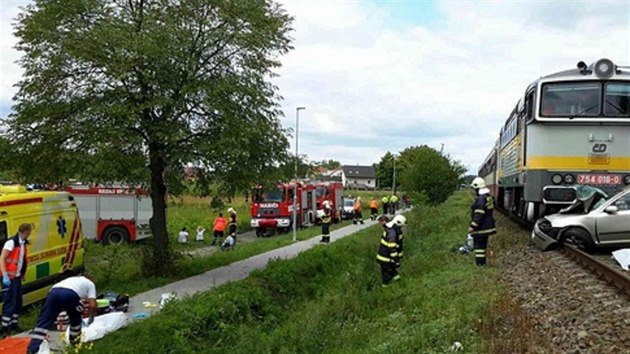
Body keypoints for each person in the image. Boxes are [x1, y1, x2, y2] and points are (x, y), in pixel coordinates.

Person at [27, 274, 98, 354]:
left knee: (44, 322)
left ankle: (32, 349)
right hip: (69, 294)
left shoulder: (73, 279)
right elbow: (92, 305)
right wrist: (91, 316)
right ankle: (75, 344)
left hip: (53, 292)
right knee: (76, 318)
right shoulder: (90, 284)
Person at [0, 223, 32, 335]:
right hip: (9, 278)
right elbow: (2, 258)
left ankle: (14, 324)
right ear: (26, 231)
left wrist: (22, 273)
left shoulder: (22, 243)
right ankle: (4, 328)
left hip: (17, 277)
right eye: (30, 231)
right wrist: (4, 275)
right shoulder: (12, 242)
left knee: (18, 302)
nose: (30, 234)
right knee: (10, 302)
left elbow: (21, 259)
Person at [468, 177, 497, 266]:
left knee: (479, 247)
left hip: (482, 227)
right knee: (483, 246)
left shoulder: (481, 199)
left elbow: (479, 215)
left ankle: (480, 264)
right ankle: (482, 263)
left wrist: (473, 226)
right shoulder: (488, 197)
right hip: (488, 226)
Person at [376, 215, 399, 287]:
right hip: (386, 257)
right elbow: (391, 246)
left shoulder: (389, 230)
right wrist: (396, 259)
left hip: (384, 257)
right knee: (391, 273)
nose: (380, 224)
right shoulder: (390, 230)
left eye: (380, 221)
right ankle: (398, 284)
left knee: (387, 274)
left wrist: (395, 258)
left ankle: (386, 287)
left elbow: (391, 245)